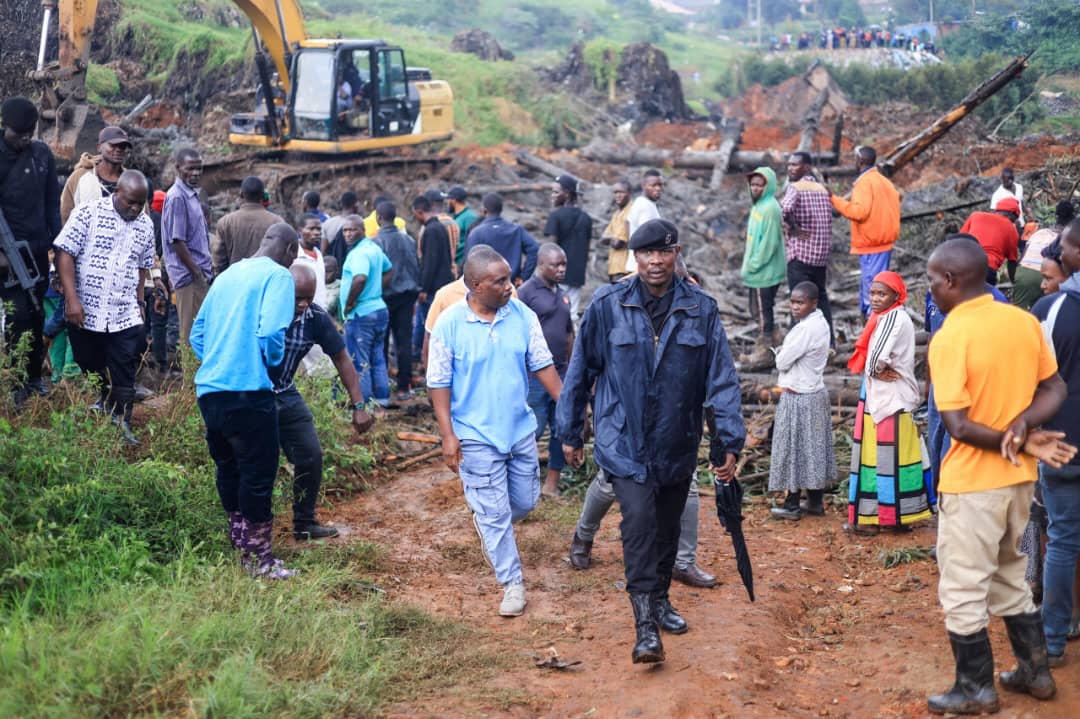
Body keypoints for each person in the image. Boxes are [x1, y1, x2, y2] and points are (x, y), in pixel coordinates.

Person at [556, 219, 745, 664]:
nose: (655, 261)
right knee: (638, 524)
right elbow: (581, 370)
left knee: (665, 526)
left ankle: (660, 600)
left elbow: (721, 380)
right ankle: (644, 625)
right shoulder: (607, 304)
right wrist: (570, 431)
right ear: (633, 257)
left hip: (677, 439)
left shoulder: (700, 308)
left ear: (676, 253)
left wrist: (727, 440)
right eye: (646, 253)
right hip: (623, 439)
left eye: (663, 253)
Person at [925, 237, 1071, 714]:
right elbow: (1054, 387)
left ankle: (975, 689)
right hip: (1019, 480)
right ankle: (1035, 672)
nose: (930, 289)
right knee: (1009, 571)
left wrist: (1021, 435)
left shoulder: (950, 336)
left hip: (972, 483)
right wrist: (1025, 428)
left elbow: (959, 426)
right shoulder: (1023, 321)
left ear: (950, 280)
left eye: (931, 280)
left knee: (963, 586)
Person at [427, 246, 563, 617]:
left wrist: (566, 406)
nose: (509, 286)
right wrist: (448, 434)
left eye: (509, 278)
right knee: (496, 515)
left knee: (524, 503)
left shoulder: (522, 315)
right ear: (474, 284)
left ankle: (489, 522)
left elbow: (543, 365)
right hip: (474, 435)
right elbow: (437, 382)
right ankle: (512, 583)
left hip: (518, 430)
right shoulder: (450, 324)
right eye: (499, 281)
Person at [190, 224, 299, 579]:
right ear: (291, 251)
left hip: (211, 391)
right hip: (249, 391)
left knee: (229, 469)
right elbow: (270, 332)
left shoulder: (226, 276)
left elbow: (197, 333)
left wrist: (219, 359)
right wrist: (267, 362)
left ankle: (241, 551)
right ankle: (259, 562)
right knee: (258, 473)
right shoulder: (279, 277)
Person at [272, 264, 374, 539]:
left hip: (285, 390)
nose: (303, 304)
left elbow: (341, 357)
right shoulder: (266, 311)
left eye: (308, 297)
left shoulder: (315, 317)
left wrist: (359, 406)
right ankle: (254, 529)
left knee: (310, 454)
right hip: (255, 394)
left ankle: (304, 524)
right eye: (297, 298)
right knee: (262, 461)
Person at [53, 170, 155, 443]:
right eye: (130, 202)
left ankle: (123, 422)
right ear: (117, 193)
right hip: (86, 309)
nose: (135, 209)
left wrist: (140, 302)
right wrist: (72, 299)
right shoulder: (88, 213)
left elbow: (143, 266)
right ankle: (104, 398)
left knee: (124, 363)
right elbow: (65, 253)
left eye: (140, 203)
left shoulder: (145, 225)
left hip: (124, 311)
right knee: (88, 360)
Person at [846, 271, 933, 533]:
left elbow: (874, 361)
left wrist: (874, 370)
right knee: (894, 458)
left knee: (884, 460)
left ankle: (881, 518)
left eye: (881, 293)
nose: (874, 298)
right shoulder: (884, 317)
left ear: (897, 296)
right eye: (872, 293)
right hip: (886, 397)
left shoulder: (893, 318)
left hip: (888, 400)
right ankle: (896, 518)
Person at [1031, 220, 1080, 667]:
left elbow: (1029, 374)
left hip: (1061, 439)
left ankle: (1051, 642)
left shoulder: (1052, 307)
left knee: (1062, 539)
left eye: (1065, 245)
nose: (1060, 251)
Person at [0, 97, 61, 402]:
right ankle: (15, 383)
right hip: (6, 260)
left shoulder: (41, 155)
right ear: (4, 127)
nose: (25, 139)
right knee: (18, 318)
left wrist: (56, 244)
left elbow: (52, 204)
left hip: (36, 253)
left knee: (37, 315)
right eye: (18, 134)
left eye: (29, 134)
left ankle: (35, 378)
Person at [768, 282, 836, 520]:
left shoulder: (806, 329)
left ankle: (792, 504)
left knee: (792, 448)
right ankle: (816, 502)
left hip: (799, 397)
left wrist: (780, 352)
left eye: (800, 302)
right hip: (815, 393)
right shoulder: (821, 323)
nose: (795, 307)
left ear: (814, 303)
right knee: (813, 448)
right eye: (793, 301)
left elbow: (782, 361)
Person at [518, 243, 574, 497]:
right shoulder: (525, 292)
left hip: (562, 373)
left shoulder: (561, 294)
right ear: (541, 264)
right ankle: (522, 481)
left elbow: (568, 332)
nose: (562, 269)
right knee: (534, 427)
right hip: (535, 375)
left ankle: (552, 484)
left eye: (564, 264)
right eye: (556, 265)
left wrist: (573, 368)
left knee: (560, 428)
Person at [829, 146, 900, 317]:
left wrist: (834, 199)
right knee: (876, 289)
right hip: (883, 244)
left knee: (874, 294)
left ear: (860, 160)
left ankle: (873, 333)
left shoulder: (864, 183)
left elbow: (858, 212)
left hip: (872, 245)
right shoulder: (884, 181)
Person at [780, 151, 834, 344]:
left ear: (807, 167)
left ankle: (795, 344)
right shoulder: (822, 188)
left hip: (801, 255)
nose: (790, 168)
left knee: (798, 302)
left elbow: (784, 209)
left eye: (795, 165)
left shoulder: (795, 188)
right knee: (820, 299)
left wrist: (793, 228)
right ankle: (829, 344)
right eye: (789, 164)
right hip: (820, 258)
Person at [161, 147, 212, 346]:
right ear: (178, 168)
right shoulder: (177, 197)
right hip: (190, 278)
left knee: (201, 334)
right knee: (193, 338)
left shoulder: (191, 194)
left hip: (198, 275)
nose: (195, 173)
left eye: (199, 169)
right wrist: (197, 273)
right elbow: (177, 241)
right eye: (190, 169)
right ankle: (190, 378)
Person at [341, 218, 393, 407]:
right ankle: (382, 401)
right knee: (377, 358)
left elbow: (360, 278)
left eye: (352, 230)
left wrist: (349, 303)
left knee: (359, 363)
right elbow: (389, 270)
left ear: (362, 230)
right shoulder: (373, 248)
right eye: (345, 230)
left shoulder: (360, 253)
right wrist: (377, 290)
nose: (348, 234)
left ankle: (365, 406)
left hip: (361, 314)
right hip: (379, 310)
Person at [372, 201, 419, 400]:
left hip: (385, 296)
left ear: (378, 218)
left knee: (381, 342)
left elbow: (376, 273)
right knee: (404, 341)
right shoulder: (408, 240)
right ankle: (403, 387)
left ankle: (383, 386)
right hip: (407, 295)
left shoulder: (376, 243)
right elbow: (416, 265)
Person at [741, 166, 786, 360]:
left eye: (760, 184)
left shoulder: (770, 208)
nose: (755, 188)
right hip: (757, 270)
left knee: (761, 312)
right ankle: (776, 340)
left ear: (769, 186)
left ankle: (764, 350)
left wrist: (753, 265)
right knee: (759, 310)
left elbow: (769, 242)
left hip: (763, 271)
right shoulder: (758, 206)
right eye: (753, 184)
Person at [212, 176, 285, 275]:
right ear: (263, 195)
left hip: (235, 281)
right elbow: (283, 257)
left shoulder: (225, 222)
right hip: (265, 282)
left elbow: (218, 260)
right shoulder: (277, 222)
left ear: (241, 194)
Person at [413, 194, 455, 360]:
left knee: (430, 326)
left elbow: (430, 261)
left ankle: (429, 359)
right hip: (444, 282)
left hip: (433, 287)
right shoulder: (439, 227)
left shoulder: (430, 230)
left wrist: (423, 288)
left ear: (419, 211)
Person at [60, 126, 131, 224]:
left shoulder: (131, 180)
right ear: (99, 147)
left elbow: (143, 216)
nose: (119, 150)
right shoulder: (80, 177)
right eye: (113, 145)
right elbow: (66, 212)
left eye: (122, 146)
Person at [544, 175, 592, 318]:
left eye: (556, 192)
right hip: (576, 275)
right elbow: (587, 248)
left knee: (554, 314)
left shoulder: (555, 216)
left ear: (567, 193)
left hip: (557, 274)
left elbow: (550, 249)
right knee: (571, 314)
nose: (552, 196)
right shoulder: (586, 218)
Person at [1012, 201, 1075, 310]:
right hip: (1048, 275)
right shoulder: (1068, 239)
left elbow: (1022, 258)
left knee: (1018, 314)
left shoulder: (1040, 232)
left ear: (1056, 217)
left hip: (1024, 273)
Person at [465, 192, 539, 283]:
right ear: (501, 210)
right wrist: (524, 277)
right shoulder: (516, 229)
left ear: (484, 211)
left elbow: (469, 263)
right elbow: (534, 249)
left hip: (487, 287)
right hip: (511, 284)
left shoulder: (476, 233)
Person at [959, 197, 1020, 285]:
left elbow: (959, 240)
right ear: (1011, 213)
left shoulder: (976, 215)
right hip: (987, 269)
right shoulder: (1011, 228)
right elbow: (1012, 261)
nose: (1014, 221)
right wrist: (1013, 282)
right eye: (1015, 218)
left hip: (964, 264)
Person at [622, 170, 663, 274]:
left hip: (637, 264)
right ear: (643, 186)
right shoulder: (645, 206)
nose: (658, 188)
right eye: (653, 185)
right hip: (643, 268)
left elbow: (627, 223)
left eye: (660, 185)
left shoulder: (641, 202)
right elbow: (647, 237)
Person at [293, 213, 328, 309]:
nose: (316, 232)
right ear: (300, 230)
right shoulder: (294, 255)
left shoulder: (318, 254)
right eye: (311, 229)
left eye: (319, 229)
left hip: (321, 309)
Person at [601, 181, 632, 282]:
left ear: (629, 193)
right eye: (615, 192)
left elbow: (618, 243)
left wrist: (612, 238)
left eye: (621, 192)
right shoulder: (616, 214)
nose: (618, 195)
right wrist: (613, 239)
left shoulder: (631, 211)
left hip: (625, 268)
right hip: (614, 266)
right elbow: (603, 239)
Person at [425, 188, 461, 276]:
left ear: (430, 205)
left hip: (435, 276)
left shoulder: (429, 226)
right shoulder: (454, 223)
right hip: (453, 272)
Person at [447, 185, 479, 271]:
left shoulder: (469, 217)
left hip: (462, 265)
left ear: (453, 200)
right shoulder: (456, 217)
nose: (447, 202)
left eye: (448, 199)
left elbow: (472, 242)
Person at [323, 255, 341, 320]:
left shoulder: (340, 286)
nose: (325, 274)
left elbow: (328, 307)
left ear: (337, 271)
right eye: (323, 271)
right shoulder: (317, 285)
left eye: (328, 271)